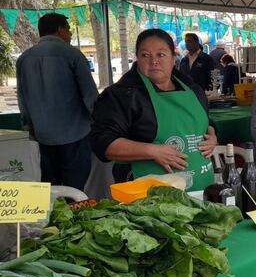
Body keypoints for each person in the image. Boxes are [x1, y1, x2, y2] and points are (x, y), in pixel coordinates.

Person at [91, 29, 217, 190]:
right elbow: (103, 143)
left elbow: (206, 121)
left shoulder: (193, 89)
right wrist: (153, 151)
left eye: (161, 55)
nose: (154, 62)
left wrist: (212, 135)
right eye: (145, 55)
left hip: (202, 188)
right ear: (137, 58)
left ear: (173, 58)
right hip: (147, 200)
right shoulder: (121, 95)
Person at [16, 13, 98, 190]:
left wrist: (29, 125)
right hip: (75, 133)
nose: (70, 34)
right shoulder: (73, 55)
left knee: (49, 184)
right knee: (75, 186)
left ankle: (51, 216)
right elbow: (90, 95)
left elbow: (22, 96)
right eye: (68, 30)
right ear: (60, 30)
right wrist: (100, 121)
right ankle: (74, 216)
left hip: (42, 134)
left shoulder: (24, 58)